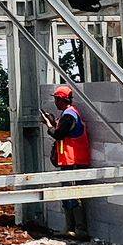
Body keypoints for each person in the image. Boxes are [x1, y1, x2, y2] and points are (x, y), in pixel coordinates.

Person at [40, 85, 91, 237]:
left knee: (73, 194)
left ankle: (79, 230)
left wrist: (49, 125)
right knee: (67, 194)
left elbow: (59, 135)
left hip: (73, 160)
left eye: (56, 99)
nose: (55, 102)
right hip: (68, 160)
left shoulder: (69, 116)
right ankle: (70, 229)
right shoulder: (68, 114)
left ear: (62, 100)